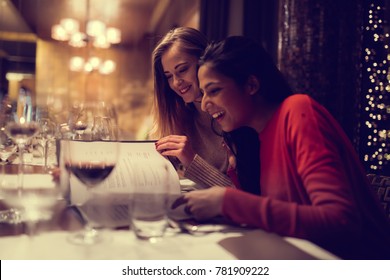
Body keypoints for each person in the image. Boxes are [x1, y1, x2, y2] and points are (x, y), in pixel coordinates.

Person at [173, 35, 390, 259]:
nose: (205, 103)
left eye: (214, 90)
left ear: (251, 85)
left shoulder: (298, 112)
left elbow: (340, 221)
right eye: (204, 93)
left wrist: (228, 202)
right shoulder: (256, 138)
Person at [152, 27, 260, 189]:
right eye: (168, 76)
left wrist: (191, 160)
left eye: (182, 70)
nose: (176, 82)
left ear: (204, 61)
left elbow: (245, 197)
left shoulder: (236, 113)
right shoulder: (179, 118)